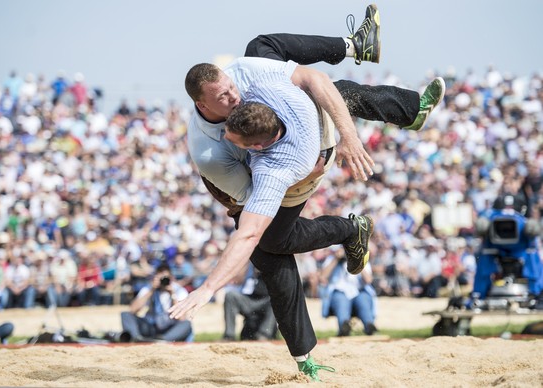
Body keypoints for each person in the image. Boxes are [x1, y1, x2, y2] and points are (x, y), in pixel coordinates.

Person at [172, 5, 444, 381]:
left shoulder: (253, 83)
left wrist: (207, 288)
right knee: (272, 247)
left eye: (233, 88)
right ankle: (306, 355)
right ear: (202, 105)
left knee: (267, 243)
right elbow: (249, 210)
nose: (234, 95)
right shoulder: (212, 152)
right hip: (244, 185)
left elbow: (317, 82)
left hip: (299, 159)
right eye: (223, 96)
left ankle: (351, 228)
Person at [121, 264, 192, 342]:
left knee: (186, 324)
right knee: (125, 315)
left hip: (170, 327)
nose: (163, 281)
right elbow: (132, 310)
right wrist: (152, 290)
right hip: (150, 326)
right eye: (160, 278)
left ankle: (163, 340)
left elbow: (181, 318)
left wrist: (172, 294)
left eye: (165, 278)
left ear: (171, 278)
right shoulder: (149, 288)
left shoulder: (179, 290)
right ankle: (135, 339)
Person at [319, 248, 378, 336]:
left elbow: (368, 280)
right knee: (341, 300)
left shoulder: (361, 258)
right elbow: (322, 277)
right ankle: (344, 327)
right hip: (339, 291)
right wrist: (336, 259)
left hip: (359, 291)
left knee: (363, 300)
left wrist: (356, 261)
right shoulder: (331, 259)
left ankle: (369, 325)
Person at [223, 264, 277, 341]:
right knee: (230, 295)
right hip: (247, 300)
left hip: (264, 300)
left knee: (274, 300)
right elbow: (236, 280)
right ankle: (229, 335)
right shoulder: (247, 265)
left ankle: (264, 334)